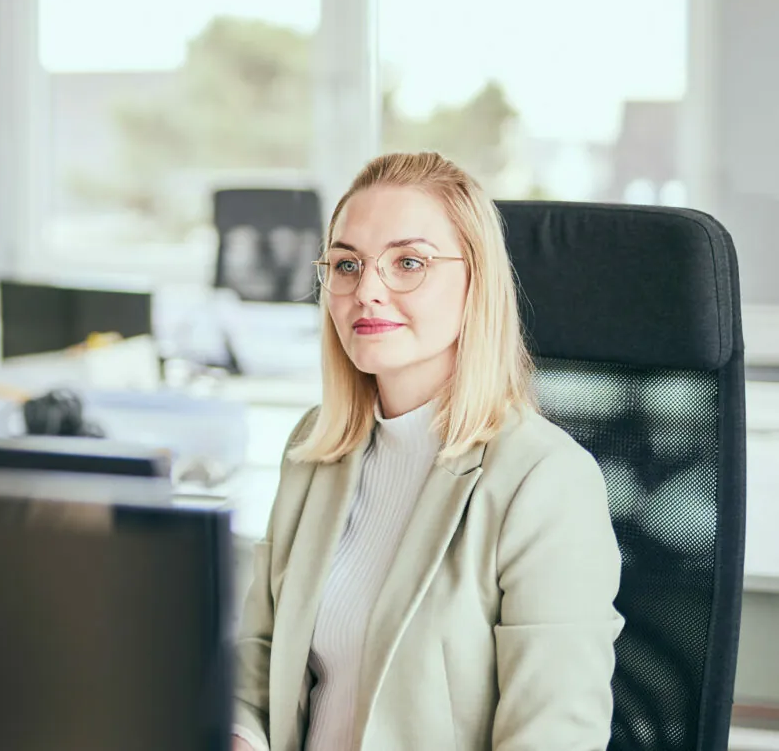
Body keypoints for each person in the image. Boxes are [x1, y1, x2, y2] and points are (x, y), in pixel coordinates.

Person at [231, 151, 624, 751]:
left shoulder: (545, 481)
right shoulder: (315, 449)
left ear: (476, 284)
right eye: (346, 264)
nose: (367, 291)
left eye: (408, 263)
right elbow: (259, 659)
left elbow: (553, 737)